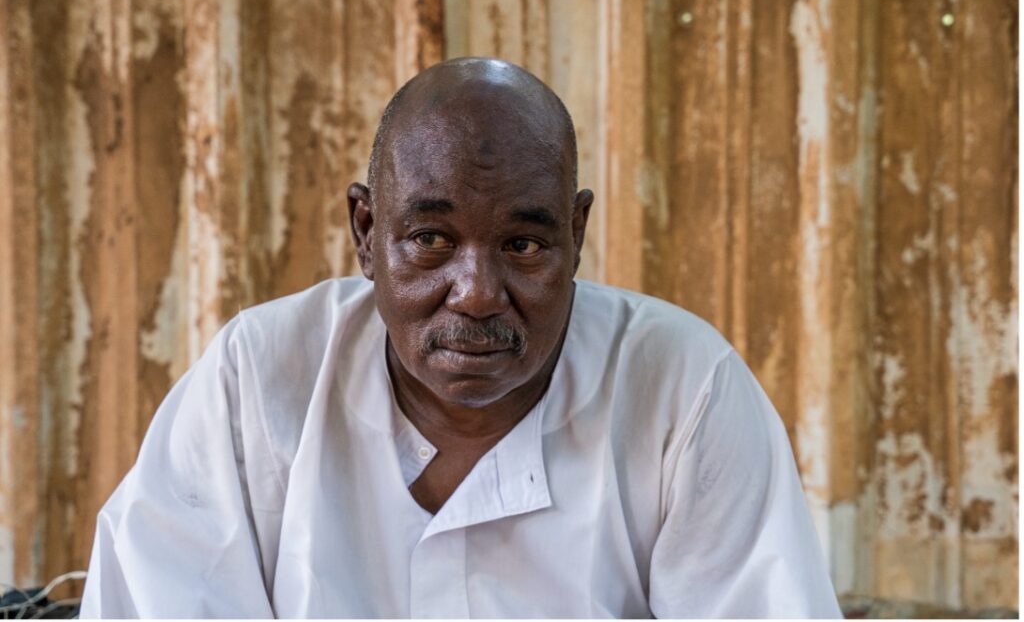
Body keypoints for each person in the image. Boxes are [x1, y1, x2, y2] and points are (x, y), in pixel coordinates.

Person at [80, 57, 840, 618]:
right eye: (432, 240)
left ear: (575, 235)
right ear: (367, 231)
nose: (476, 293)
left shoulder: (682, 388)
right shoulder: (257, 378)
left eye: (522, 246)